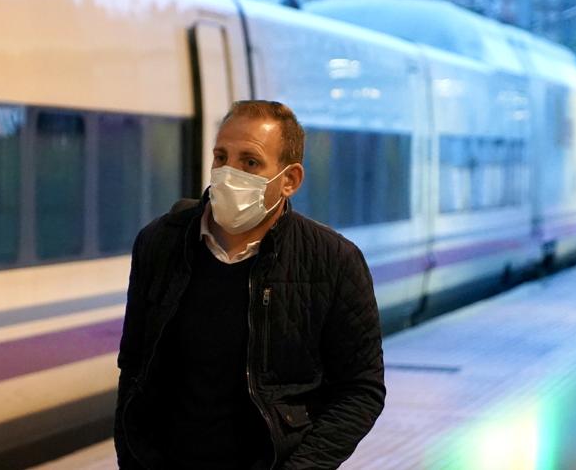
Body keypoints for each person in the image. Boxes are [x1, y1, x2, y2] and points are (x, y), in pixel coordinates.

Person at [115, 100, 385, 469]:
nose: (228, 173)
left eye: (250, 162)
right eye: (221, 157)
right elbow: (133, 365)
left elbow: (361, 390)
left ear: (289, 180)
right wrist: (133, 460)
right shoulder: (160, 244)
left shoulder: (334, 261)